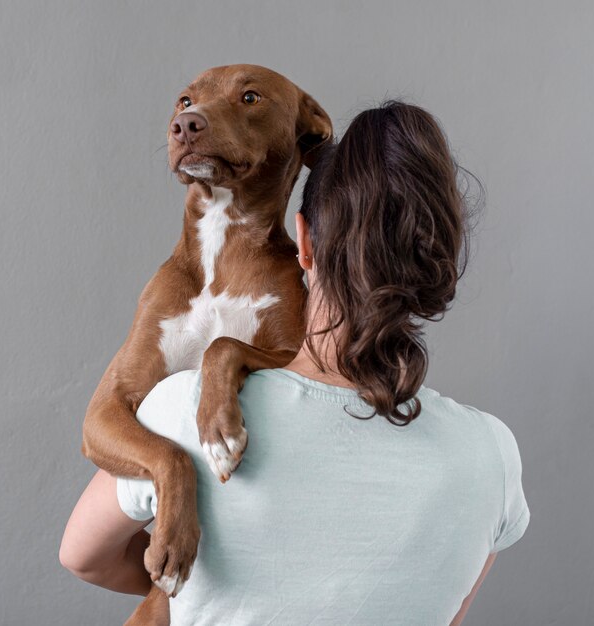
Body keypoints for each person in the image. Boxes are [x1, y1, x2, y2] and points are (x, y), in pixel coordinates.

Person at [60, 101, 530, 625]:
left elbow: (83, 557)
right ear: (437, 261)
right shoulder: (492, 456)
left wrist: (207, 584)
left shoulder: (188, 412)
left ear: (303, 243)